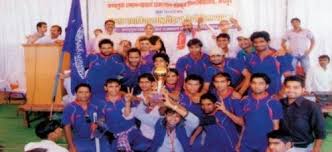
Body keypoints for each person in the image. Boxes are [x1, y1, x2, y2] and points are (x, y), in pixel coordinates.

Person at [134, 90, 200, 152]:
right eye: (170, 115)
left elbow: (195, 121)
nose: (173, 119)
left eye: (177, 116)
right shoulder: (159, 122)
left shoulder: (185, 126)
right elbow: (138, 114)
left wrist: (172, 106)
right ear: (165, 115)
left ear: (181, 117)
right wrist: (144, 103)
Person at [98, 79, 150, 151]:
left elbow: (143, 105)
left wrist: (129, 101)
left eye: (116, 86)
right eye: (111, 86)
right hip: (114, 135)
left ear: (120, 87)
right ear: (105, 88)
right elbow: (100, 119)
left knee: (144, 145)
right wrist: (101, 128)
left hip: (131, 131)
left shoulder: (128, 98)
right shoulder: (101, 103)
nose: (114, 89)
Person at [238, 73, 283, 152]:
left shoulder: (273, 102)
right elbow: (244, 125)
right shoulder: (244, 101)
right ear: (250, 84)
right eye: (254, 83)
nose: (256, 86)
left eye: (261, 83)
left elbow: (276, 127)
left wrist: (272, 146)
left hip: (265, 145)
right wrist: (239, 142)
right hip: (246, 144)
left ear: (267, 86)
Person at [280, 76, 326, 152]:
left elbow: (320, 131)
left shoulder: (312, 106)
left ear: (303, 89)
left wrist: (316, 149)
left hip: (303, 147)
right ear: (284, 88)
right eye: (288, 87)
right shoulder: (278, 104)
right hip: (281, 147)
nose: (291, 90)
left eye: (296, 87)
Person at [62, 83, 99, 152]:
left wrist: (97, 123)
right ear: (76, 93)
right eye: (80, 92)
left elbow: (101, 119)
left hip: (95, 140)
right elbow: (66, 127)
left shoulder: (95, 106)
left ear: (90, 93)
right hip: (78, 140)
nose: (84, 95)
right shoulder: (70, 108)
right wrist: (71, 145)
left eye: (86, 92)